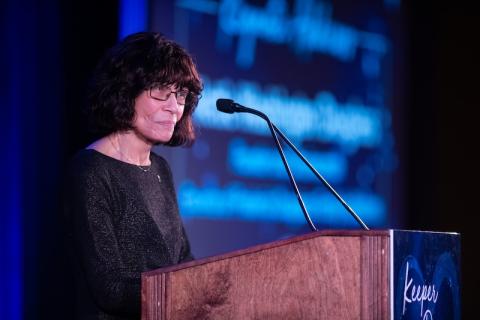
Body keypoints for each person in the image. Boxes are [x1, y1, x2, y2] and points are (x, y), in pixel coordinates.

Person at [64, 31, 202, 319]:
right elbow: (110, 289)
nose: (174, 106)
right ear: (126, 90)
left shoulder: (160, 168)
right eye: (161, 90)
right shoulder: (91, 170)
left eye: (181, 94)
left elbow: (182, 259)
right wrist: (187, 290)